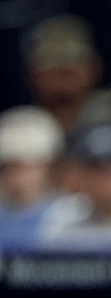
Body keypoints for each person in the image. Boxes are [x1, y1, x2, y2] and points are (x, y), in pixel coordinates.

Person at [0, 106, 64, 250]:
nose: (16, 176)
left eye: (25, 167)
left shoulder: (69, 215)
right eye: (7, 167)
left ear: (48, 166)